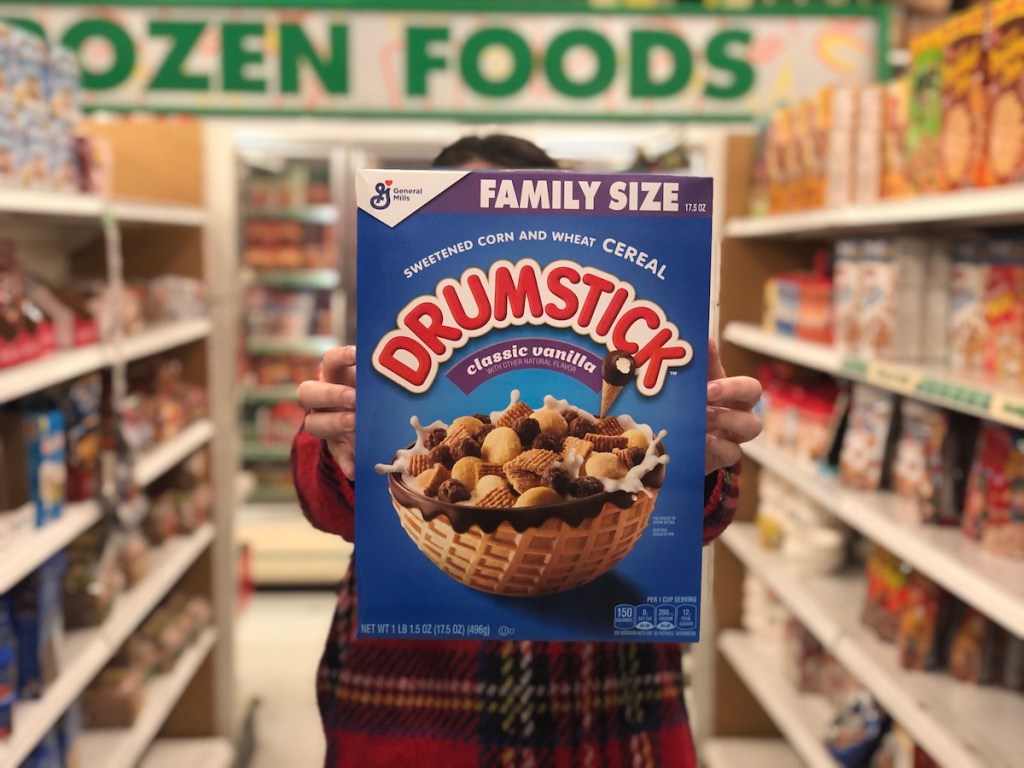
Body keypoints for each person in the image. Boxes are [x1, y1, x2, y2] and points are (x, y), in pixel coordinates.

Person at [292, 134, 762, 767]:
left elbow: (695, 522)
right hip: (420, 708)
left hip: (603, 704)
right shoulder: (369, 367)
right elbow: (327, 505)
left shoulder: (614, 416)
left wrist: (707, 461)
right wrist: (342, 447)